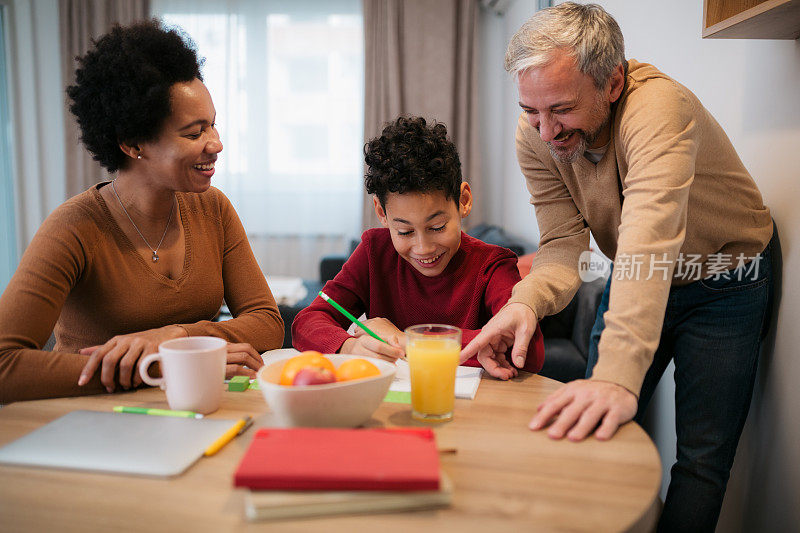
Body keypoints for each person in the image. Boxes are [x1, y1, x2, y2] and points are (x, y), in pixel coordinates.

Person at [461, 3, 774, 531]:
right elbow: (563, 243)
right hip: (634, 272)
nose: (546, 131)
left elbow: (648, 244)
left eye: (560, 108)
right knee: (587, 427)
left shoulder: (660, 110)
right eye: (531, 111)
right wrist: (525, 304)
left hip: (726, 277)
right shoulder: (535, 132)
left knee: (701, 461)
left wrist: (615, 377)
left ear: (612, 81)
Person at [0, 20, 284, 404]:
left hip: (189, 408)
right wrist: (160, 366)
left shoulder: (213, 208)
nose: (216, 143)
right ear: (134, 144)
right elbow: (5, 366)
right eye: (194, 132)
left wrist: (177, 338)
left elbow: (267, 320)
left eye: (213, 125)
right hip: (87, 424)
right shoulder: (74, 227)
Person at [292, 116, 544, 378]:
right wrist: (349, 345)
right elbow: (307, 321)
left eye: (436, 227)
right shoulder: (373, 252)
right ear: (381, 212)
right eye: (405, 231)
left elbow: (528, 350)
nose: (422, 248)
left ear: (464, 201)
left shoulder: (493, 265)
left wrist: (407, 341)